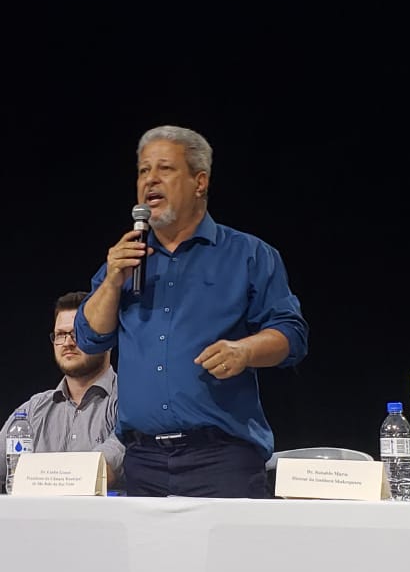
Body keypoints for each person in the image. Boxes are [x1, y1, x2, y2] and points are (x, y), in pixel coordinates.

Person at [74, 124, 308, 498]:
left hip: (223, 460)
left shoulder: (248, 254)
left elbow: (291, 335)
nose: (150, 180)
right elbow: (89, 338)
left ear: (200, 182)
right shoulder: (124, 260)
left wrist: (245, 351)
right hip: (143, 460)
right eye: (143, 170)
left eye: (164, 168)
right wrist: (113, 280)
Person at [0, 291, 125, 493]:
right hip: (34, 513)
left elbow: (110, 461)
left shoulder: (129, 403)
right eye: (60, 335)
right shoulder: (34, 409)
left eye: (79, 333)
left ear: (107, 339)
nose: (68, 343)